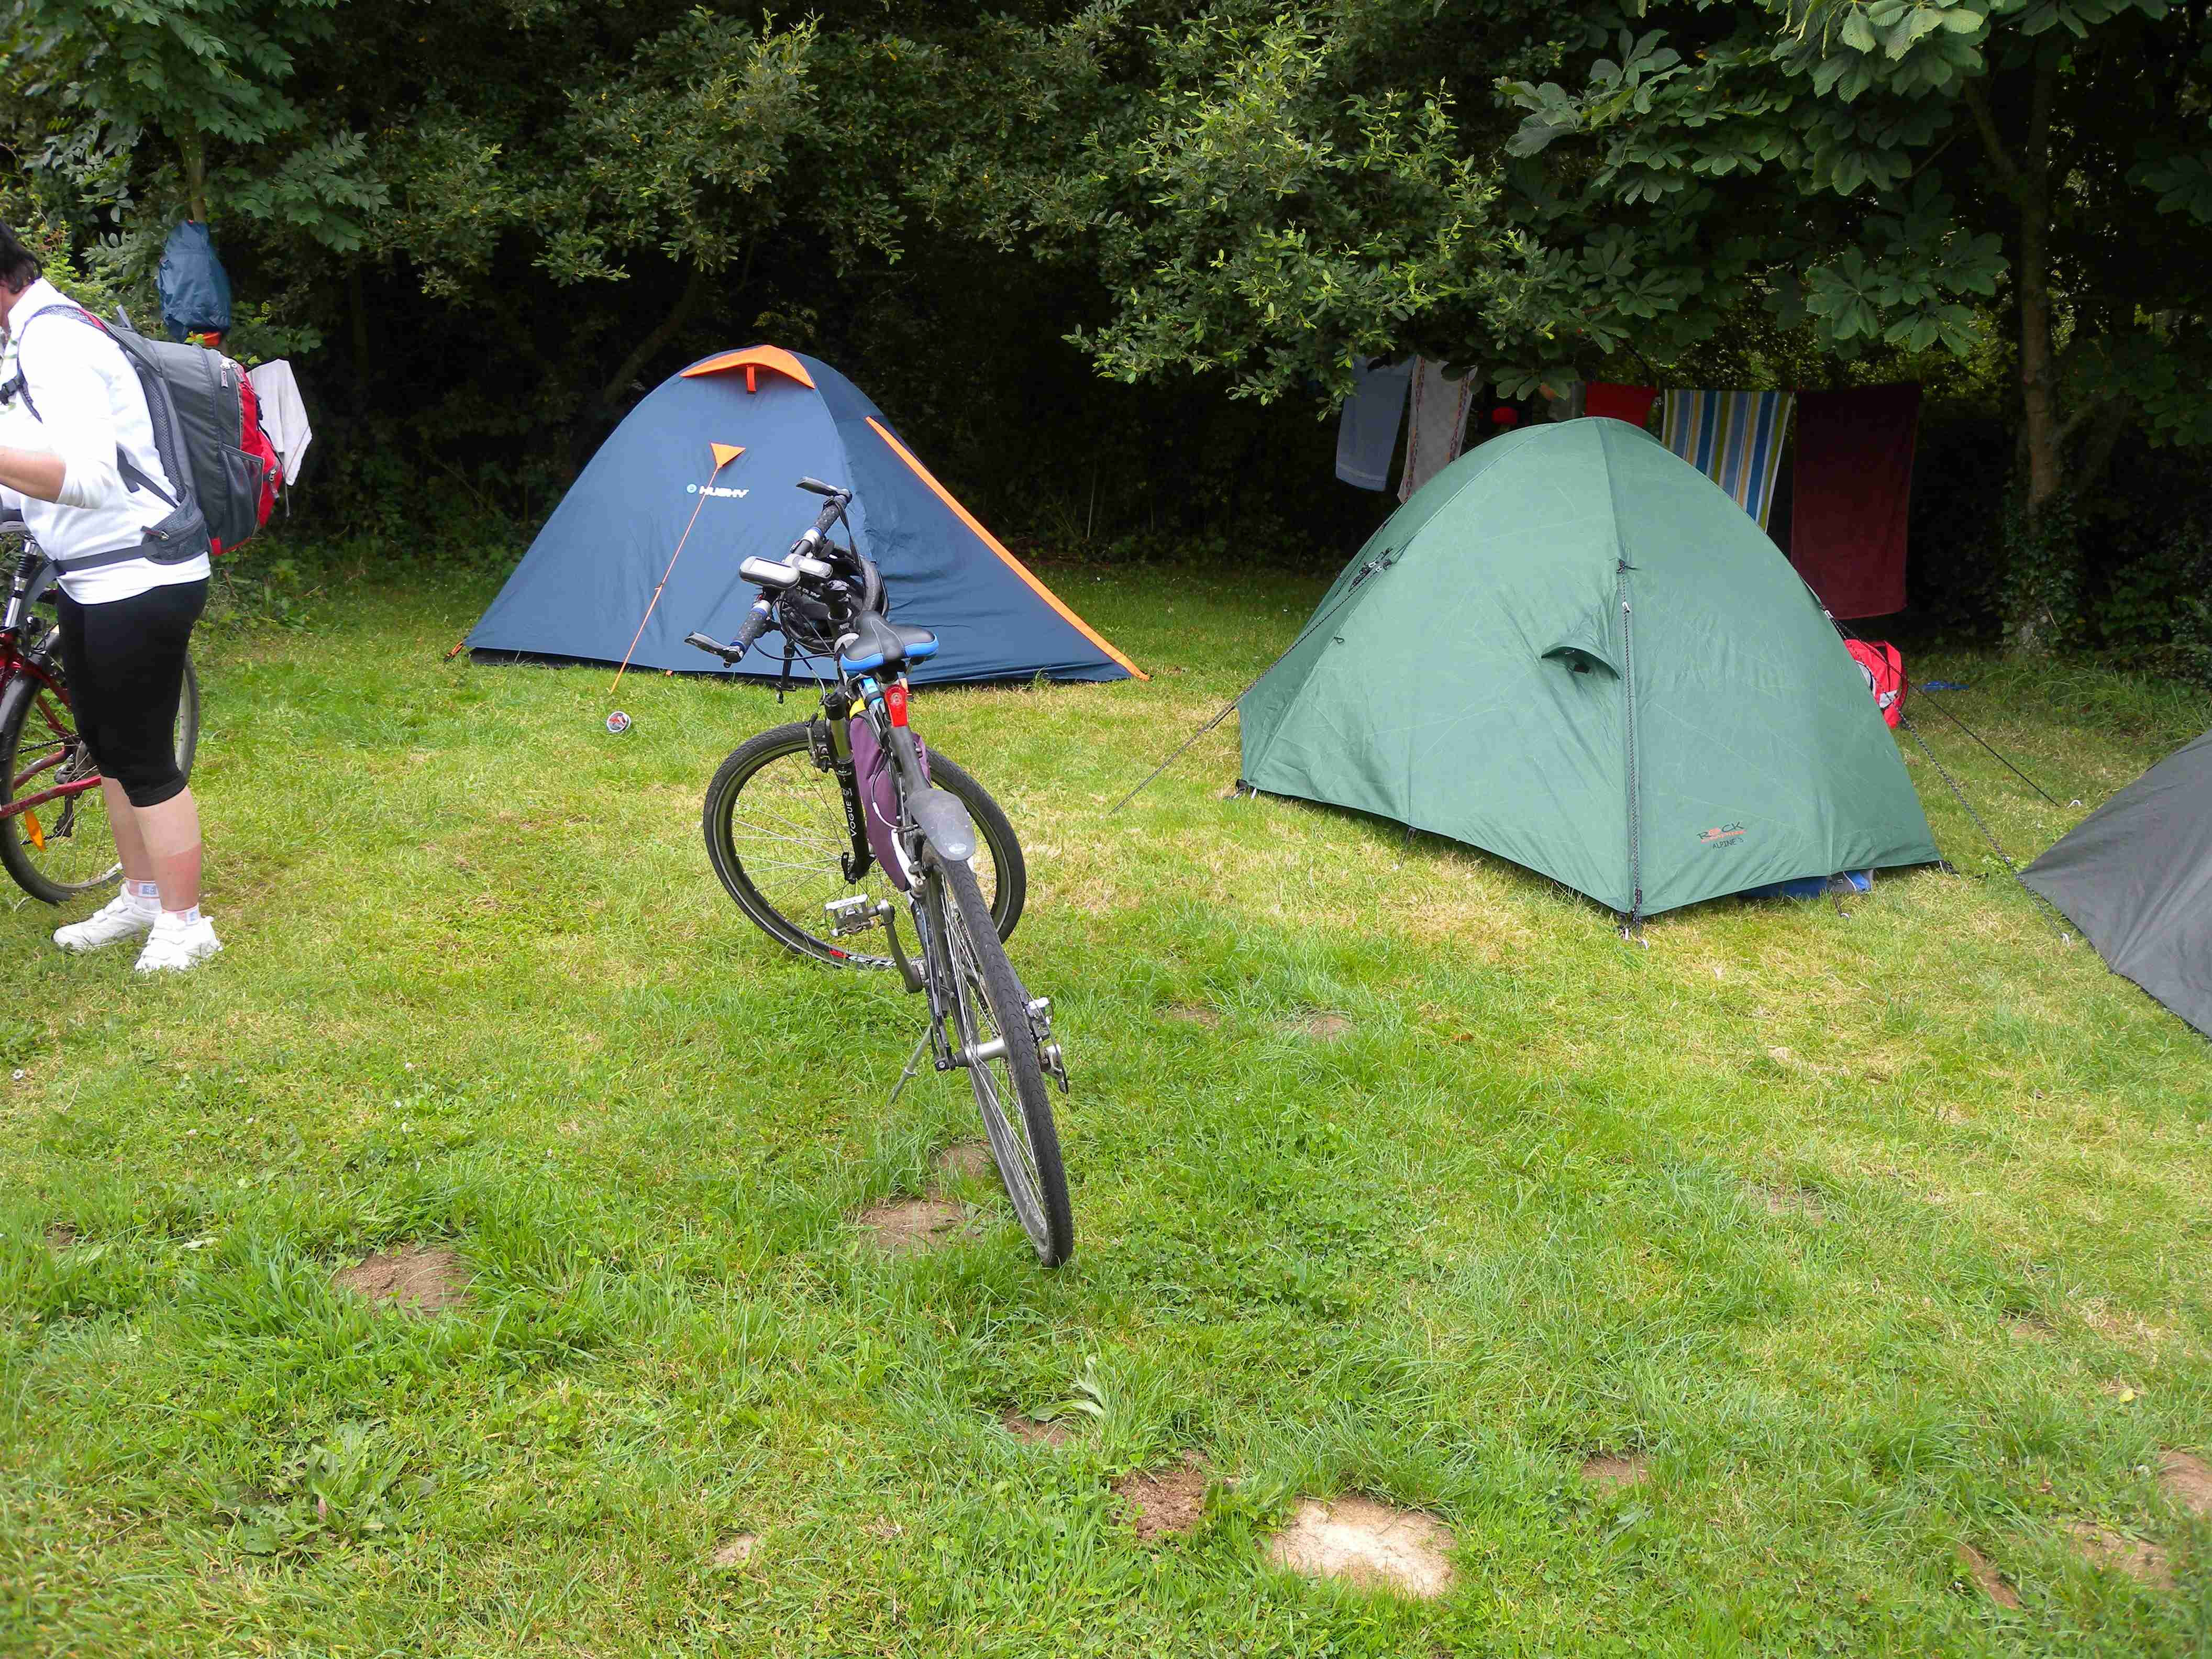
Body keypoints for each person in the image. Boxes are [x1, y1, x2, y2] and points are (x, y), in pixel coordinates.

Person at [0, 223, 220, 971]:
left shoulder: (55, 342)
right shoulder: (27, 338)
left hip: (141, 577)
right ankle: (144, 896)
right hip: (92, 575)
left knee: (143, 754)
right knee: (110, 746)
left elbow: (91, 477)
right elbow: (39, 469)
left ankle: (187, 926)